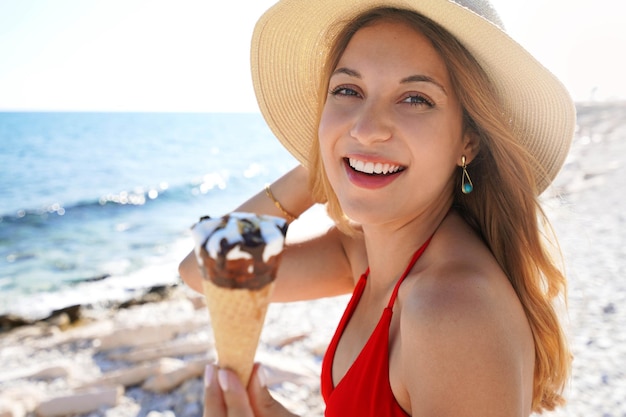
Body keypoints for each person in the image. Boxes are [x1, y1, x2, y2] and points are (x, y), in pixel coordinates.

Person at [179, 0, 575, 415]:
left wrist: (340, 152)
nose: (366, 129)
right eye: (348, 90)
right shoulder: (368, 253)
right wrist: (323, 160)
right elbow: (207, 271)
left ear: (468, 140)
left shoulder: (452, 308)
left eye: (415, 99)